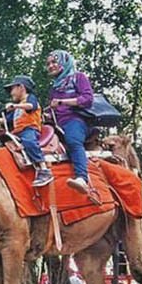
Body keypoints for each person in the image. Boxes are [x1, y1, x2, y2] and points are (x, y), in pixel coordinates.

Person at [0, 75, 52, 187]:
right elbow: (6, 120)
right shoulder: (17, 107)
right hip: (17, 132)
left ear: (21, 87)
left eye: (12, 89)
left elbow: (31, 106)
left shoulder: (30, 98)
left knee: (29, 142)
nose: (11, 93)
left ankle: (43, 169)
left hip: (29, 129)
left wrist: (15, 106)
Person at [45, 50, 94, 194]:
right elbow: (55, 108)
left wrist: (62, 102)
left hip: (75, 120)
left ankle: (82, 178)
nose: (50, 66)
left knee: (72, 141)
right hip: (57, 124)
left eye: (54, 62)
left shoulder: (78, 77)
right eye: (48, 64)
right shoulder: (54, 87)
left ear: (64, 62)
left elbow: (88, 99)